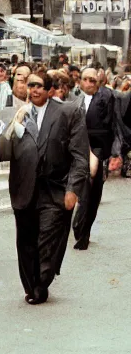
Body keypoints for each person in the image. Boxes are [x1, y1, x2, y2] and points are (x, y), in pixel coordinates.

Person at [0, 73, 89, 304]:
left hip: (54, 189)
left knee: (46, 239)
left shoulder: (68, 113)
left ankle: (42, 283)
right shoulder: (14, 113)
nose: (34, 90)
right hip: (24, 188)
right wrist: (14, 125)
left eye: (39, 86)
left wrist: (73, 189)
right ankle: (30, 284)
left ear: (49, 90)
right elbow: (2, 152)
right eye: (31, 85)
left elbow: (80, 156)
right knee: (25, 241)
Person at [70, 68, 120, 250]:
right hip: (75, 150)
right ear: (80, 81)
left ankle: (84, 232)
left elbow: (113, 126)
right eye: (86, 80)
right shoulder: (74, 98)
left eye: (93, 80)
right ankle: (78, 224)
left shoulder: (106, 98)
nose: (89, 83)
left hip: (97, 150)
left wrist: (114, 153)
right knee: (79, 191)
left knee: (92, 193)